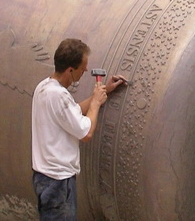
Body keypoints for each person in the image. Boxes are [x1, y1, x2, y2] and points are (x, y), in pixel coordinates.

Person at [31, 38, 128, 220]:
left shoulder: (44, 87)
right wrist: (96, 103)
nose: (84, 71)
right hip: (58, 182)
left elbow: (73, 112)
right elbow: (86, 132)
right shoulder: (59, 95)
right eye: (82, 69)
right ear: (70, 70)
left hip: (46, 177)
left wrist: (104, 91)